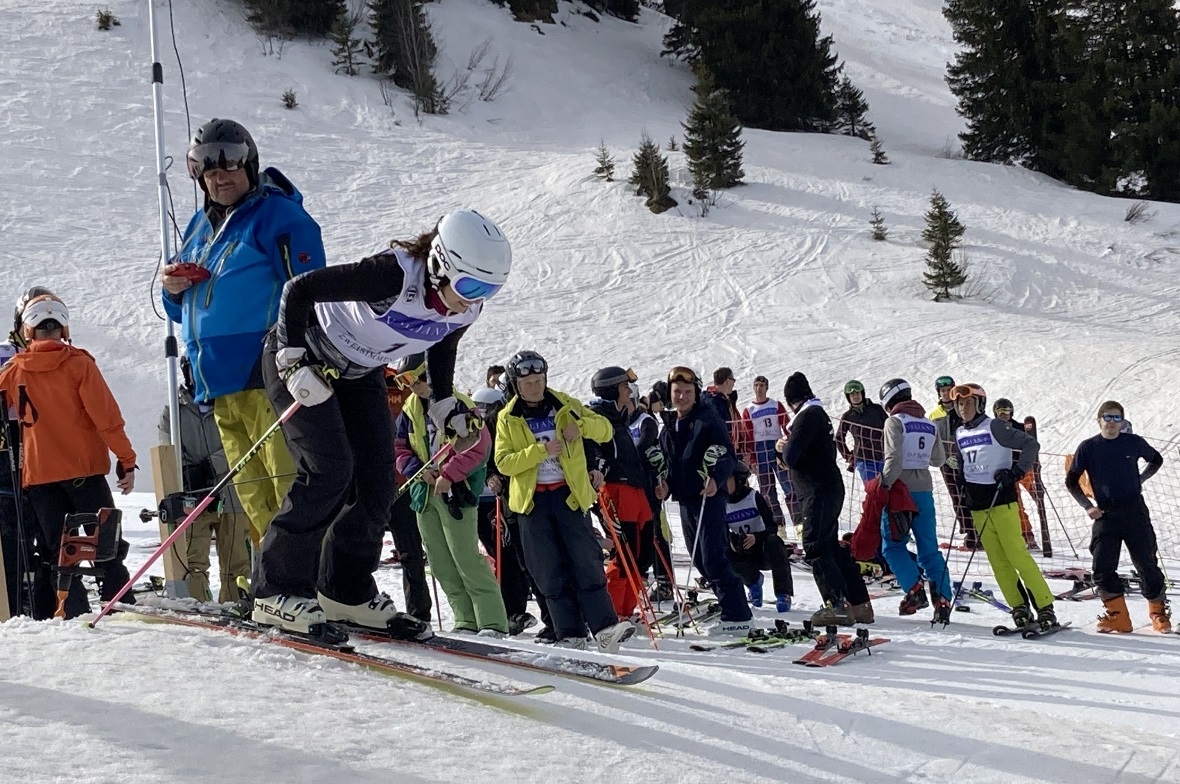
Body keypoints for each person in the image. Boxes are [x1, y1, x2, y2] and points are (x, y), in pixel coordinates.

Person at [250, 209, 512, 637]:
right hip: (304, 355)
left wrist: (444, 403)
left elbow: (442, 341)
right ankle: (274, 591)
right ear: (439, 264)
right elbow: (299, 289)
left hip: (360, 372)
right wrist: (292, 360)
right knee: (329, 470)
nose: (474, 298)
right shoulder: (392, 275)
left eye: (489, 290)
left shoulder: (465, 308)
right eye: (470, 285)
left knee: (379, 482)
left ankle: (344, 591)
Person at [161, 118, 326, 544]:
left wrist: (305, 357)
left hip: (266, 373)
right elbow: (181, 311)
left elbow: (311, 291)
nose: (219, 178)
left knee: (288, 482)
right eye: (208, 171)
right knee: (252, 495)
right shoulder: (201, 226)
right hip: (217, 383)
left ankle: (308, 579)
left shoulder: (279, 216)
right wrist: (172, 290)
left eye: (229, 167)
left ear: (250, 165)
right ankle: (274, 582)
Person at [0, 292, 136, 619]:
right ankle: (119, 605)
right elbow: (107, 419)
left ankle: (68, 610)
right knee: (106, 545)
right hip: (84, 473)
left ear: (28, 331)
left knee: (56, 551)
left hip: (40, 478)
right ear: (62, 328)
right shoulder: (79, 365)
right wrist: (126, 460)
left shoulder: (13, 372)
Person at [494, 351, 635, 652]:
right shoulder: (508, 417)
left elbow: (606, 429)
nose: (535, 387)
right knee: (549, 570)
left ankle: (605, 629)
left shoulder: (566, 405)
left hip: (569, 497)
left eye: (539, 380)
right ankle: (569, 633)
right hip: (532, 505)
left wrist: (580, 428)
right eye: (528, 382)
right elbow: (504, 463)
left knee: (586, 563)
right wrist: (539, 452)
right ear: (516, 384)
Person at [395, 360, 508, 637]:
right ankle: (465, 619)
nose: (411, 386)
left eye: (415, 379)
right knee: (440, 560)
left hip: (455, 491)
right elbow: (400, 446)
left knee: (465, 556)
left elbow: (479, 446)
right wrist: (417, 471)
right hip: (425, 492)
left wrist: (449, 474)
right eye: (404, 382)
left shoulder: (458, 404)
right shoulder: (410, 410)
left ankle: (491, 620)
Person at [949, 383, 1058, 631]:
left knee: (1017, 554)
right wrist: (962, 474)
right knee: (998, 561)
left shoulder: (995, 426)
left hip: (1002, 500)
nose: (963, 408)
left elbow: (1031, 445)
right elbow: (966, 459)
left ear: (980, 405)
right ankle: (1018, 606)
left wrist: (1016, 472)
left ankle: (1044, 606)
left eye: (967, 403)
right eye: (959, 404)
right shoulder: (960, 432)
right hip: (977, 504)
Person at [657, 366, 753, 636]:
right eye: (677, 392)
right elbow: (670, 463)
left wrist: (716, 478)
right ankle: (728, 607)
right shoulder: (670, 425)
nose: (682, 397)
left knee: (713, 556)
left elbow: (726, 454)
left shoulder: (706, 419)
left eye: (687, 392)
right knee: (698, 557)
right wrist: (665, 485)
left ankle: (738, 614)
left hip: (708, 495)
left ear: (696, 393)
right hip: (687, 497)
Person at [1065, 401, 1170, 633]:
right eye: (1107, 418)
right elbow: (1071, 481)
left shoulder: (1133, 442)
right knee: (1102, 566)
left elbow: (1156, 459)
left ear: (1122, 421)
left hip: (1134, 511)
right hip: (1105, 513)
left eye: (1116, 418)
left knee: (1146, 563)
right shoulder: (1088, 447)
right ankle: (1118, 616)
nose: (1111, 423)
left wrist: (1140, 479)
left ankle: (1158, 614)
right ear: (1099, 420)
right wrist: (1087, 506)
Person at [779, 372, 872, 626]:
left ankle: (836, 604)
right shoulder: (817, 415)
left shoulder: (807, 416)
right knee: (830, 545)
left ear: (791, 401)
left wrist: (782, 447)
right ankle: (859, 604)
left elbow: (791, 456)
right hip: (828, 487)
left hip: (817, 491)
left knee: (815, 545)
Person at [158, 355, 251, 602]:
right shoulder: (174, 411)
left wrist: (211, 466)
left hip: (231, 493)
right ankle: (198, 604)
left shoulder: (231, 403)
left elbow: (242, 444)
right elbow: (168, 446)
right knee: (192, 560)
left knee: (237, 561)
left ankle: (237, 602)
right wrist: (189, 471)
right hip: (194, 498)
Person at [877, 378, 952, 622]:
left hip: (900, 492)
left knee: (892, 547)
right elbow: (938, 460)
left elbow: (893, 460)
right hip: (924, 491)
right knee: (929, 549)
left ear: (889, 401)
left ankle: (914, 588)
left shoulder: (894, 422)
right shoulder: (929, 424)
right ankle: (943, 599)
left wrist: (883, 485)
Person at [471, 385, 539, 636]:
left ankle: (513, 609)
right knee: (498, 553)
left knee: (507, 554)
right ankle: (509, 608)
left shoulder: (503, 425)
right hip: (481, 499)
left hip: (500, 500)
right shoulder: (476, 428)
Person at [587, 366, 653, 620]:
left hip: (635, 490)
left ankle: (627, 608)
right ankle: (614, 611)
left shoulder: (620, 416)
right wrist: (596, 469)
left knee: (642, 553)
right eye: (625, 387)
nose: (630, 391)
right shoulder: (598, 417)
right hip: (616, 491)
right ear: (613, 390)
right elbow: (591, 451)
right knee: (624, 553)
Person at [379, 361, 431, 622]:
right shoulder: (348, 380)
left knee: (411, 554)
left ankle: (419, 613)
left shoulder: (399, 383)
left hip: (403, 484)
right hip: (369, 483)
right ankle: (360, 603)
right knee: (361, 547)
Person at [723, 462, 793, 612]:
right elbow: (721, 533)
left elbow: (772, 527)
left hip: (763, 549)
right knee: (724, 552)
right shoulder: (722, 503)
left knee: (776, 542)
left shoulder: (754, 497)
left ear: (739, 480)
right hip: (744, 553)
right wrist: (733, 541)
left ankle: (783, 593)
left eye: (727, 479)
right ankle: (753, 582)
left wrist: (756, 537)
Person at [740, 375, 795, 533]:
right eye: (756, 385)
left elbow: (786, 426)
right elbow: (748, 436)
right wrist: (752, 458)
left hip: (776, 447)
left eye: (762, 385)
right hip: (759, 449)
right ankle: (778, 527)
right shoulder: (749, 410)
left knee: (788, 485)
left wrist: (788, 443)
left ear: (767, 387)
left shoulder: (776, 405)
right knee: (767, 491)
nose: (759, 388)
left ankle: (798, 522)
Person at [930, 375, 977, 548]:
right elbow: (934, 440)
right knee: (956, 496)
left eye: (948, 390)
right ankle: (968, 531)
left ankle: (976, 532)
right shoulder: (935, 415)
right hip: (946, 462)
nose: (945, 393)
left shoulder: (961, 408)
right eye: (942, 391)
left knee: (970, 494)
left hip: (965, 460)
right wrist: (942, 458)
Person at [992, 398, 1040, 550]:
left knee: (1032, 489)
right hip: (1008, 471)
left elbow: (1031, 444)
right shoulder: (993, 428)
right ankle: (1027, 534)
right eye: (1001, 412)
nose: (1004, 415)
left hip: (1023, 467)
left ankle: (1036, 492)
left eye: (1007, 412)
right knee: (1017, 504)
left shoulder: (1019, 427)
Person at [836, 380, 888, 482]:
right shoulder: (848, 416)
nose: (856, 396)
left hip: (883, 456)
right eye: (852, 394)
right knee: (873, 490)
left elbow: (889, 428)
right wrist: (847, 455)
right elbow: (839, 437)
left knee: (888, 487)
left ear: (862, 393)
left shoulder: (876, 409)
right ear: (848, 397)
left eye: (858, 393)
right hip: (863, 459)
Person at [704, 367, 753, 465]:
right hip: (721, 454)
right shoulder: (713, 402)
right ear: (727, 381)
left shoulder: (724, 400)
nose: (734, 383)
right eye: (733, 380)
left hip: (731, 451)